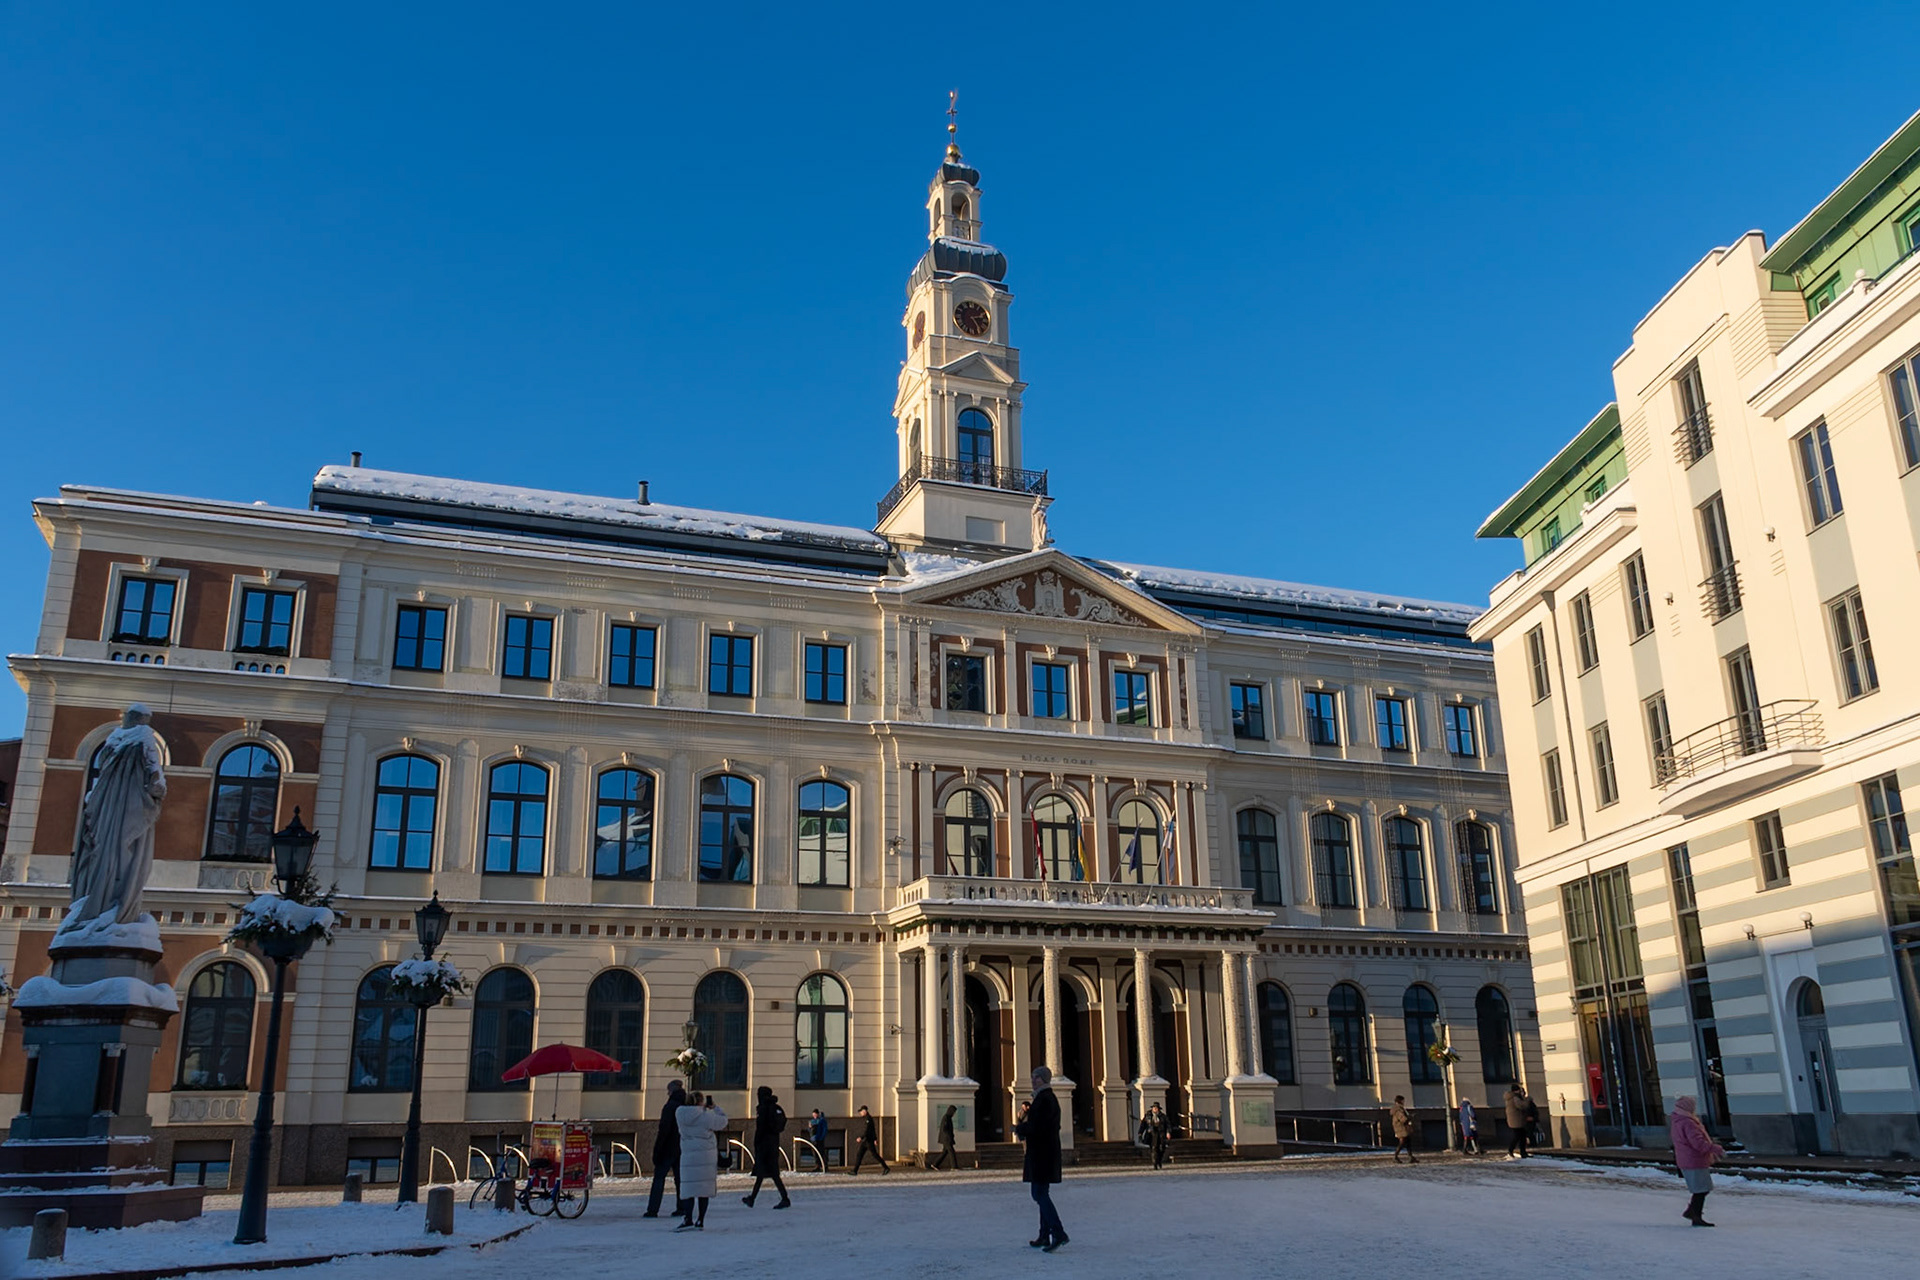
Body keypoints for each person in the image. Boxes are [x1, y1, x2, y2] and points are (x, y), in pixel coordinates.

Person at [1014, 1065, 1068, 1253]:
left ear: (1044, 1080)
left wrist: (1020, 1129)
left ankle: (1058, 1232)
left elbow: (1038, 1126)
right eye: (1033, 1077)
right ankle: (1045, 1235)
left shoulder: (1045, 1099)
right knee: (1041, 1193)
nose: (1033, 1080)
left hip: (1042, 1154)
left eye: (1036, 1077)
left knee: (1039, 1194)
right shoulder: (1044, 1098)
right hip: (1044, 1153)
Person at [674, 1091, 729, 1231]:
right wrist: (715, 1107)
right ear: (701, 1101)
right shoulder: (706, 1116)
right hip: (706, 1156)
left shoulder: (680, 1114)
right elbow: (723, 1121)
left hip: (688, 1154)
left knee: (688, 1188)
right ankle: (700, 1220)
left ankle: (687, 1218)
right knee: (703, 1189)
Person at [1670, 1096, 1725, 1227]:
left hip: (1687, 1159)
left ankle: (1692, 1212)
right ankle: (1695, 1215)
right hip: (1694, 1160)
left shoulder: (1678, 1121)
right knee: (1701, 1189)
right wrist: (1716, 1148)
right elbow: (1698, 1143)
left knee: (1701, 1188)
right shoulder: (1688, 1122)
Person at [743, 1086, 791, 1209]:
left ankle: (784, 1198)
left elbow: (761, 1128)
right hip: (773, 1143)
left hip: (764, 1145)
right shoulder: (775, 1107)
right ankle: (753, 1198)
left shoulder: (763, 1108)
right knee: (769, 1173)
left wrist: (757, 1143)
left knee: (765, 1172)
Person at [643, 1078, 686, 1217]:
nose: (667, 1094)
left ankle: (653, 1209)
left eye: (668, 1091)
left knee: (659, 1179)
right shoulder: (686, 1105)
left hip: (668, 1148)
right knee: (680, 1180)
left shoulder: (670, 1107)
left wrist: (657, 1149)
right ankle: (682, 1207)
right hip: (681, 1147)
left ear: (672, 1090)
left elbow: (664, 1130)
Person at [849, 1105, 889, 1175]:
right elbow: (873, 1130)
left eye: (861, 1112)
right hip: (866, 1141)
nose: (860, 1113)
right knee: (859, 1154)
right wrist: (875, 1139)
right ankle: (855, 1171)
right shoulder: (867, 1119)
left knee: (875, 1155)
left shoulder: (868, 1119)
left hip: (868, 1141)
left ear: (864, 1111)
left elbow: (867, 1130)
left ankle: (886, 1168)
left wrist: (861, 1137)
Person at [1504, 1084, 1532, 1159]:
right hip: (1517, 1121)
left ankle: (1520, 1152)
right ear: (1517, 1090)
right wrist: (1528, 1099)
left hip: (1514, 1120)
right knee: (1519, 1136)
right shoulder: (1515, 1097)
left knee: (1519, 1136)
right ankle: (1513, 1150)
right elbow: (1522, 1105)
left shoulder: (1510, 1097)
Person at [1142, 1103, 1171, 1170]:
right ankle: (1155, 1163)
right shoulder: (1148, 1116)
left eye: (1156, 1108)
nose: (1155, 1109)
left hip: (1161, 1134)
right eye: (1154, 1108)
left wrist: (1168, 1132)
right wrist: (1140, 1133)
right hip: (1152, 1134)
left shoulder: (1163, 1116)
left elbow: (1168, 1125)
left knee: (1161, 1148)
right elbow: (1143, 1125)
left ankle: (1159, 1161)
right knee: (1154, 1148)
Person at [930, 1104, 959, 1170]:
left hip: (946, 1138)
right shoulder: (946, 1118)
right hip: (946, 1139)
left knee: (945, 1152)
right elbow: (944, 1129)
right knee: (951, 1152)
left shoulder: (948, 1117)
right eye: (953, 1112)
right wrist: (948, 1136)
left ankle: (935, 1164)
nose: (954, 1114)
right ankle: (954, 1166)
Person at [1390, 1096, 1418, 1164]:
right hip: (1401, 1128)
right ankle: (1395, 1156)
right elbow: (1403, 1119)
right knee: (1402, 1142)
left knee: (1408, 1141)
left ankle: (1411, 1157)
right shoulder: (1398, 1109)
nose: (1404, 1102)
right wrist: (1410, 1117)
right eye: (1403, 1100)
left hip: (1401, 1127)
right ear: (1401, 1101)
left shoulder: (1399, 1109)